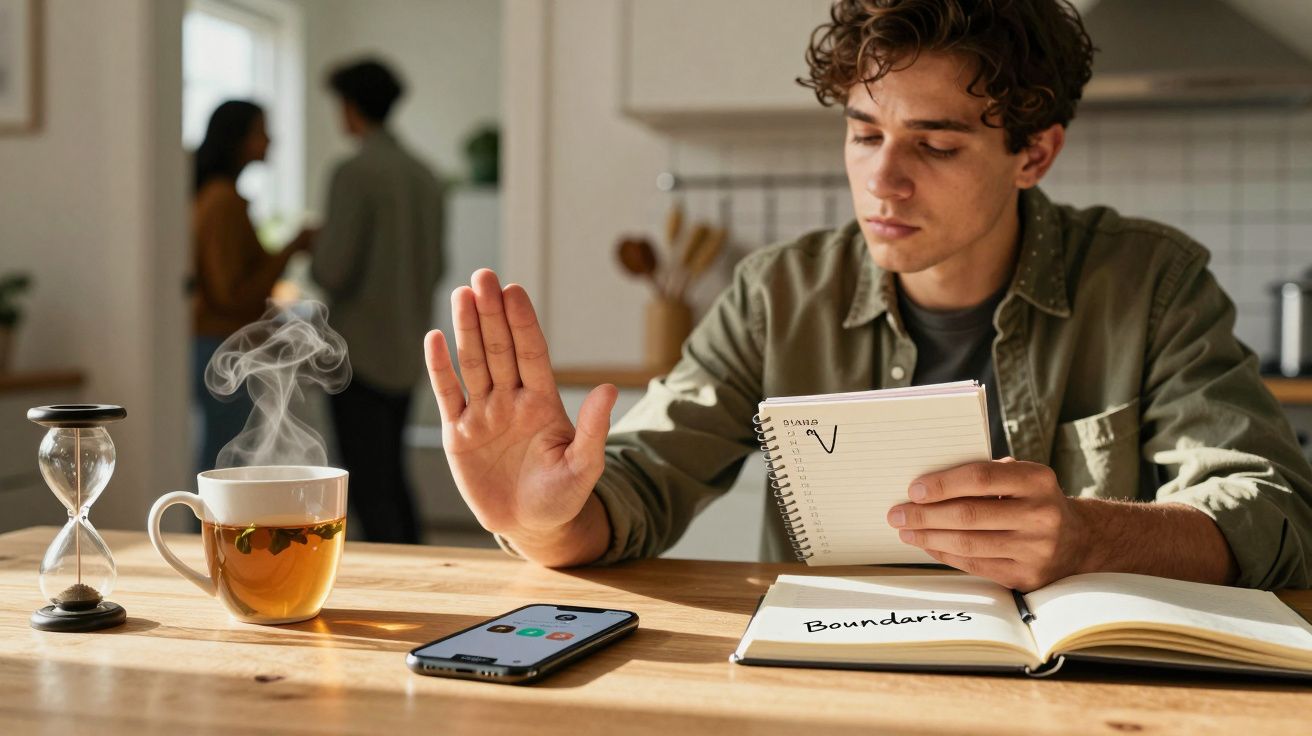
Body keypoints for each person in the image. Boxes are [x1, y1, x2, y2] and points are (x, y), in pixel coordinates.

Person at [423, 0, 1312, 590]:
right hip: (841, 690)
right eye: (863, 133)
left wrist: (1086, 537)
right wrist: (543, 522)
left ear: (1034, 154)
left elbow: (1275, 510)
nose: (882, 180)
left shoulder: (1152, 283)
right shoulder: (778, 292)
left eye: (935, 145)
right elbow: (646, 482)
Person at [311, 58, 445, 544]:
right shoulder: (426, 176)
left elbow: (334, 268)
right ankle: (420, 572)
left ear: (351, 107)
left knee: (367, 484)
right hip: (408, 348)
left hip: (359, 354)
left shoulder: (353, 172)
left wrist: (313, 245)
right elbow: (434, 266)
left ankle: (397, 588)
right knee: (391, 473)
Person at [192, 100, 313, 475]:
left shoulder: (219, 198)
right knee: (227, 463)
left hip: (223, 343)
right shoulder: (222, 201)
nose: (270, 140)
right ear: (237, 138)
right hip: (224, 345)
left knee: (226, 455)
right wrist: (292, 248)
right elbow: (231, 293)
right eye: (261, 130)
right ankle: (215, 532)